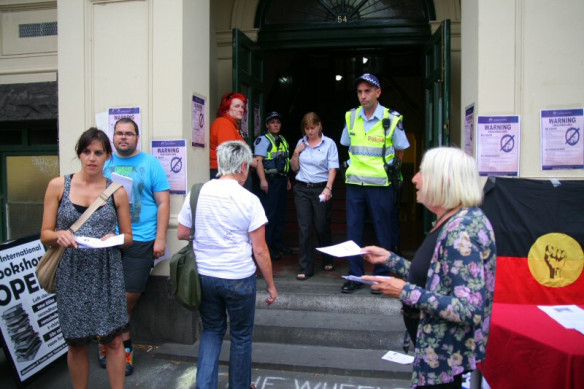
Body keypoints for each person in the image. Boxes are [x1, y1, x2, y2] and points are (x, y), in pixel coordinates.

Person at [361, 147, 497, 389]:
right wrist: (390, 259)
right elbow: (438, 275)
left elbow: (469, 308)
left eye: (422, 172)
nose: (414, 178)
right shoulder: (453, 219)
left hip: (448, 363)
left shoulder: (461, 230)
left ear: (442, 180)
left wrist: (405, 292)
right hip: (437, 356)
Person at [177, 140, 278, 389]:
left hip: (204, 275)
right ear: (243, 167)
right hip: (238, 278)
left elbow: (181, 232)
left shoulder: (198, 192)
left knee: (211, 331)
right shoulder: (249, 199)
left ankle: (205, 385)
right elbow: (260, 250)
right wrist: (271, 285)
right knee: (241, 337)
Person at [40, 128, 133, 389]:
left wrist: (111, 238)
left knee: (114, 341)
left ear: (107, 157)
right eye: (86, 152)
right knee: (77, 342)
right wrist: (59, 235)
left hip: (106, 272)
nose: (92, 158)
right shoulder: (59, 185)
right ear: (79, 154)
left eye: (98, 153)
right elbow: (44, 233)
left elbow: (128, 237)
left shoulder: (117, 191)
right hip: (72, 271)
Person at [102, 117, 170, 375]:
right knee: (110, 295)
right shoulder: (105, 163)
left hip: (141, 239)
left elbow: (163, 202)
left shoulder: (150, 164)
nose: (123, 138)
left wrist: (161, 237)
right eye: (119, 133)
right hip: (107, 240)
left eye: (128, 133)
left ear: (136, 137)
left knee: (129, 295)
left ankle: (109, 339)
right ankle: (120, 348)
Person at [340, 73, 410, 293]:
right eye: (360, 92)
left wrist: (393, 175)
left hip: (380, 185)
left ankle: (380, 278)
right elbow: (346, 144)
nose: (363, 96)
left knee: (383, 232)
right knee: (353, 232)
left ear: (378, 92)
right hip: (355, 185)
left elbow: (400, 151)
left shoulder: (392, 118)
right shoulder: (351, 117)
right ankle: (355, 275)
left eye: (367, 91)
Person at [290, 112, 339, 280]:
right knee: (304, 227)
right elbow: (294, 168)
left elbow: (333, 168)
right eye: (306, 128)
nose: (310, 131)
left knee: (321, 225)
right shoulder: (301, 143)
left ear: (319, 126)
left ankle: (327, 257)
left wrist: (328, 188)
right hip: (302, 188)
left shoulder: (329, 143)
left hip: (321, 188)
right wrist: (296, 152)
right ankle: (306, 267)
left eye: (312, 127)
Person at [253, 111, 292, 259]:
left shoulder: (282, 140)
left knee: (280, 214)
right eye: (272, 122)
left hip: (281, 180)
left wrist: (287, 179)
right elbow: (258, 161)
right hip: (270, 181)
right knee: (269, 215)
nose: (276, 124)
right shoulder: (263, 140)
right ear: (267, 125)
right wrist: (263, 180)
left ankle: (278, 244)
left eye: (278, 122)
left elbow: (285, 161)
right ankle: (267, 247)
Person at [209, 92, 256, 190]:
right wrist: (251, 160)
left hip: (233, 175)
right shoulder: (223, 123)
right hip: (227, 175)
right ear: (226, 108)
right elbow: (230, 154)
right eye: (237, 106)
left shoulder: (232, 125)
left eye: (242, 107)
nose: (241, 110)